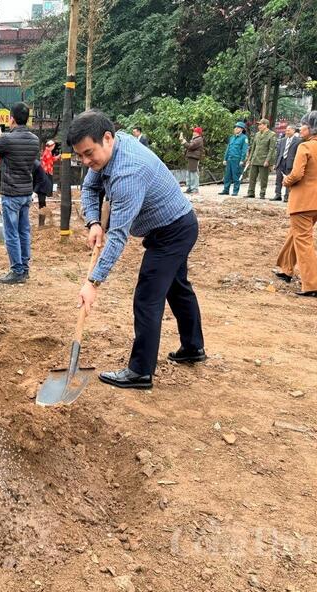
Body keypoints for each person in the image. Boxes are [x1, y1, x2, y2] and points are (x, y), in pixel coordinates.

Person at [71, 110, 205, 391]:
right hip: (172, 225)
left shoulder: (128, 172)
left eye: (88, 153)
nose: (85, 161)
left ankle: (140, 371)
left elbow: (118, 236)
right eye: (80, 156)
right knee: (178, 288)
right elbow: (89, 187)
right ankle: (193, 347)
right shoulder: (109, 151)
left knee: (147, 296)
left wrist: (93, 282)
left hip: (173, 231)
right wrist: (94, 222)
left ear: (107, 138)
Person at [273, 111, 317, 298]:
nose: (300, 128)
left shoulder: (305, 147)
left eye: (303, 125)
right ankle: (286, 269)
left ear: (311, 127)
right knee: (297, 234)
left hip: (303, 201)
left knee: (303, 240)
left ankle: (312, 285)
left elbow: (297, 174)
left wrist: (286, 181)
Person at [0, 102, 40, 284]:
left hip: (11, 193)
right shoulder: (35, 140)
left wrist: (0, 137)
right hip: (26, 193)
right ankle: (25, 267)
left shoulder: (5, 139)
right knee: (24, 231)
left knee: (11, 233)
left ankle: (17, 270)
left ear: (11, 119)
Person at [246, 118, 278, 199]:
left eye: (260, 124)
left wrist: (268, 160)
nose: (259, 126)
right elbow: (253, 148)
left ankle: (262, 193)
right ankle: (250, 192)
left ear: (265, 125)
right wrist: (249, 159)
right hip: (255, 159)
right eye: (259, 125)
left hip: (264, 160)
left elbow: (271, 149)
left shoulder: (272, 134)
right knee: (252, 177)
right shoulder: (257, 134)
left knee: (263, 179)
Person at [219, 121, 248, 196]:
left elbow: (244, 150)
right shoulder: (232, 137)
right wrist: (225, 159)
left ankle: (235, 191)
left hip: (237, 159)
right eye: (235, 127)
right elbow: (228, 149)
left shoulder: (244, 138)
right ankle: (226, 189)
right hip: (229, 159)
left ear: (241, 129)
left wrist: (242, 160)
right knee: (227, 175)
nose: (235, 129)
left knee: (236, 176)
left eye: (237, 127)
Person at [273, 125, 302, 202]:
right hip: (281, 161)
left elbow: (298, 153)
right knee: (278, 179)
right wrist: (275, 163)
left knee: (289, 179)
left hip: (290, 162)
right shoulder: (282, 140)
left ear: (293, 130)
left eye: (289, 130)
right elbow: (278, 153)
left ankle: (287, 196)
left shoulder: (298, 141)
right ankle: (277, 195)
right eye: (286, 130)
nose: (287, 132)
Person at [38, 139, 58, 225]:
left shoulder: (47, 152)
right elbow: (49, 167)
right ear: (52, 146)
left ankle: (42, 221)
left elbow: (50, 160)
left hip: (44, 175)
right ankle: (41, 222)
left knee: (42, 199)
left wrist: (57, 157)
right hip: (45, 175)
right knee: (42, 199)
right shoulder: (48, 153)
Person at [182, 126, 204, 195]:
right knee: (189, 173)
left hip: (194, 157)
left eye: (195, 131)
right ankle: (189, 188)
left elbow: (190, 146)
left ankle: (195, 189)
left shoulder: (198, 139)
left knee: (193, 173)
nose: (193, 132)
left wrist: (184, 142)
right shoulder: (195, 139)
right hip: (191, 157)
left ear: (198, 133)